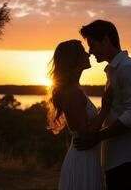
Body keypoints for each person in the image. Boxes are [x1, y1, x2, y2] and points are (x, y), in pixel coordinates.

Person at [74, 20, 131, 190]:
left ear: (107, 41)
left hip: (128, 159)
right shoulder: (115, 70)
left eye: (93, 45)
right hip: (117, 158)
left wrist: (98, 137)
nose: (91, 52)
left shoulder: (128, 68)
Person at [47, 39, 112, 190]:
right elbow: (85, 133)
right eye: (83, 52)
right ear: (73, 59)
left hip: (87, 157)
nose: (88, 54)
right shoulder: (72, 92)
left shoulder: (76, 88)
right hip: (82, 159)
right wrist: (105, 109)